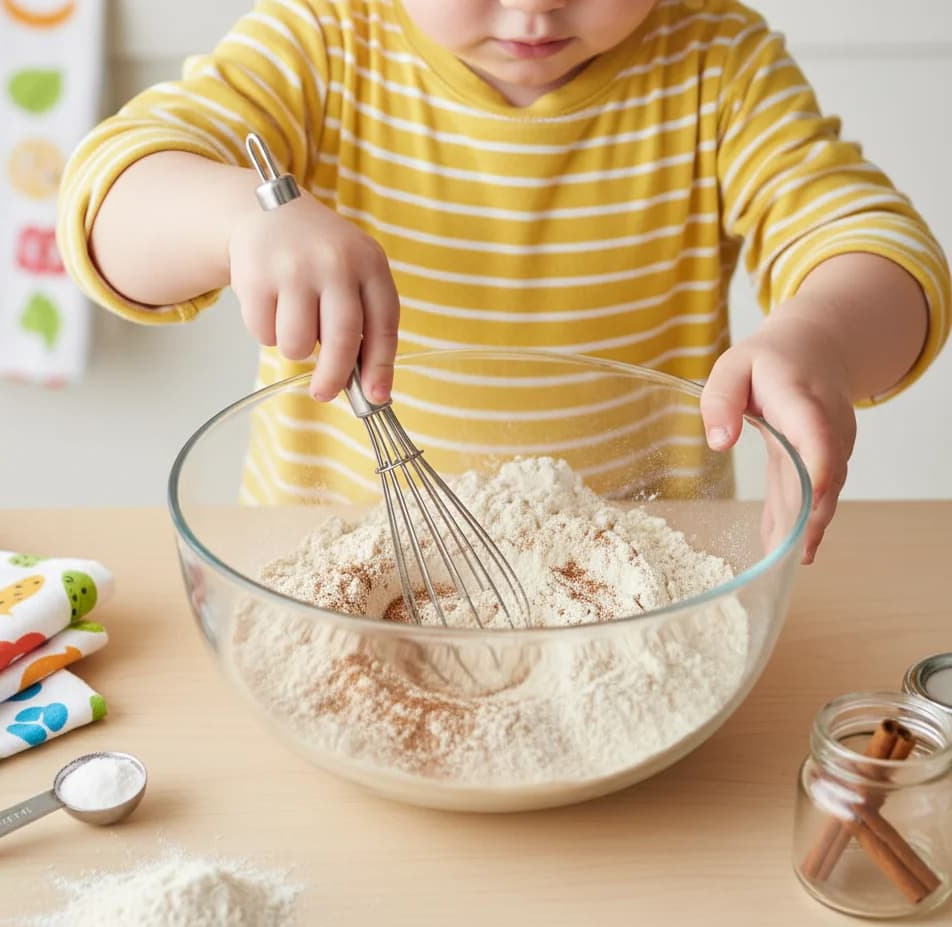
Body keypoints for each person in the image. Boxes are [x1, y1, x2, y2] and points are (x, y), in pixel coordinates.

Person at [58, 0, 949, 563]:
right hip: (328, 574)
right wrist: (236, 218)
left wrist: (824, 337)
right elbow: (108, 205)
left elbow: (876, 244)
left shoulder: (720, 65)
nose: (533, 10)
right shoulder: (323, 42)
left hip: (630, 586)